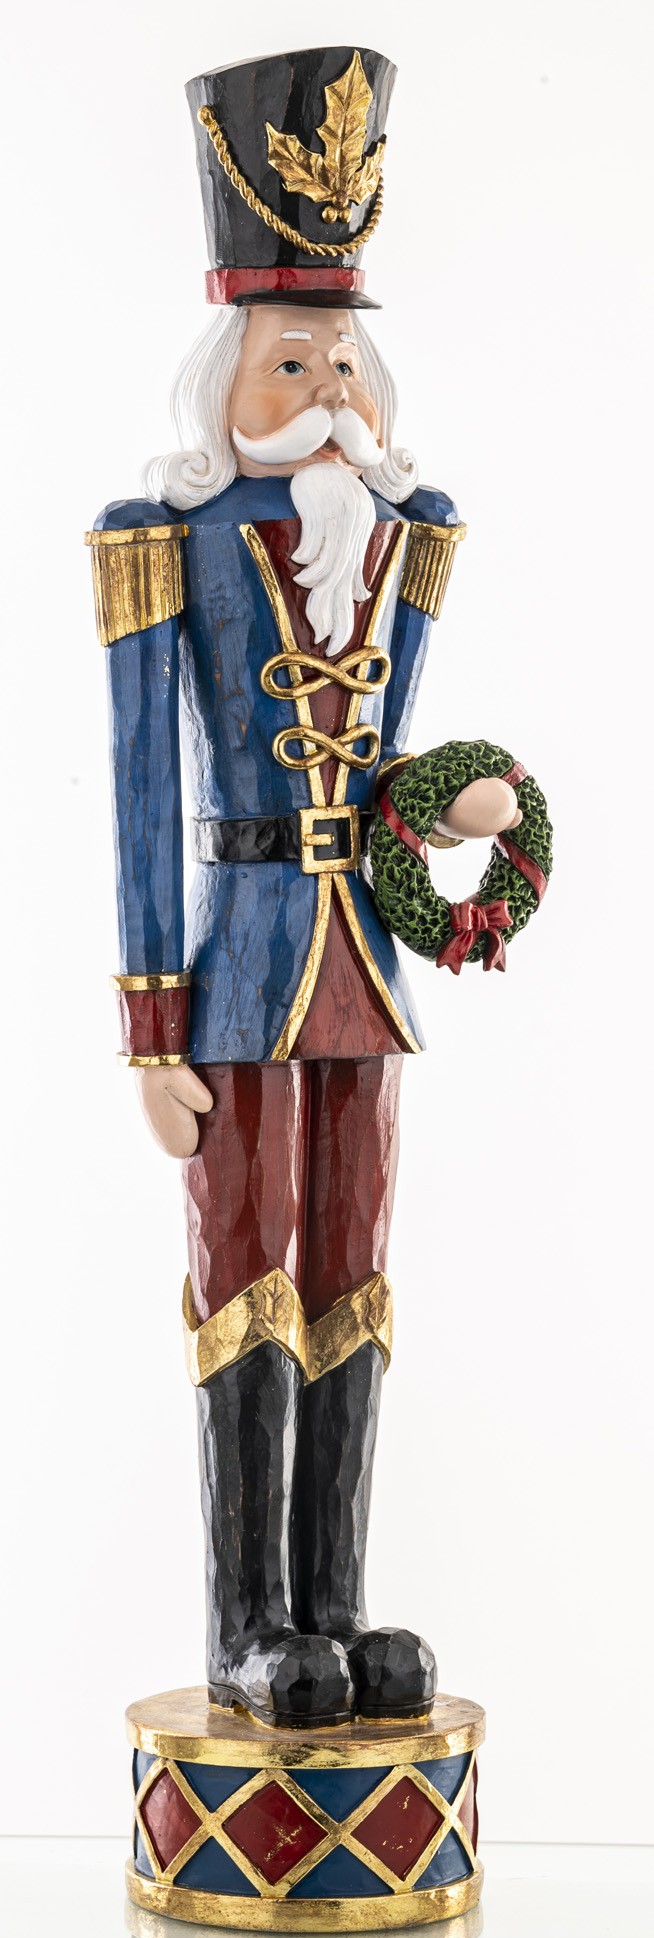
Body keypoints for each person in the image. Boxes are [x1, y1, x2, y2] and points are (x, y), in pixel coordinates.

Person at [87, 46, 520, 1727]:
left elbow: (389, 757)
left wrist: (452, 802)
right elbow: (143, 790)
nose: (329, 382)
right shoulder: (164, 538)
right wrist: (151, 1032)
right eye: (293, 356)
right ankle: (245, 1622)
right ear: (228, 378)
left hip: (363, 969)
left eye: (344, 357)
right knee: (241, 1272)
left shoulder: (403, 536)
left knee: (349, 1267)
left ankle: (335, 1600)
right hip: (242, 961)